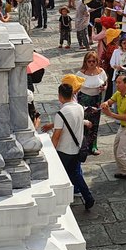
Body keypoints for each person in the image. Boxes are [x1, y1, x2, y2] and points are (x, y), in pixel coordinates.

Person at [43, 81, 94, 210]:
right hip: (77, 149)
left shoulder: (61, 113)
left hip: (64, 151)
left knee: (58, 175)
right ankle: (88, 197)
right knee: (76, 174)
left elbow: (56, 136)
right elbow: (74, 121)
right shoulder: (79, 107)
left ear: (60, 96)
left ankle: (58, 200)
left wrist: (51, 154)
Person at [76, 51, 107, 156]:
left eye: (93, 61)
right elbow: (75, 87)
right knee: (84, 122)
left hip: (96, 99)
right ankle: (82, 144)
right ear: (85, 62)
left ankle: (93, 145)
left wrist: (104, 87)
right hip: (84, 99)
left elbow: (105, 84)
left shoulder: (101, 72)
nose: (91, 63)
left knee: (95, 123)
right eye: (89, 61)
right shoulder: (80, 73)